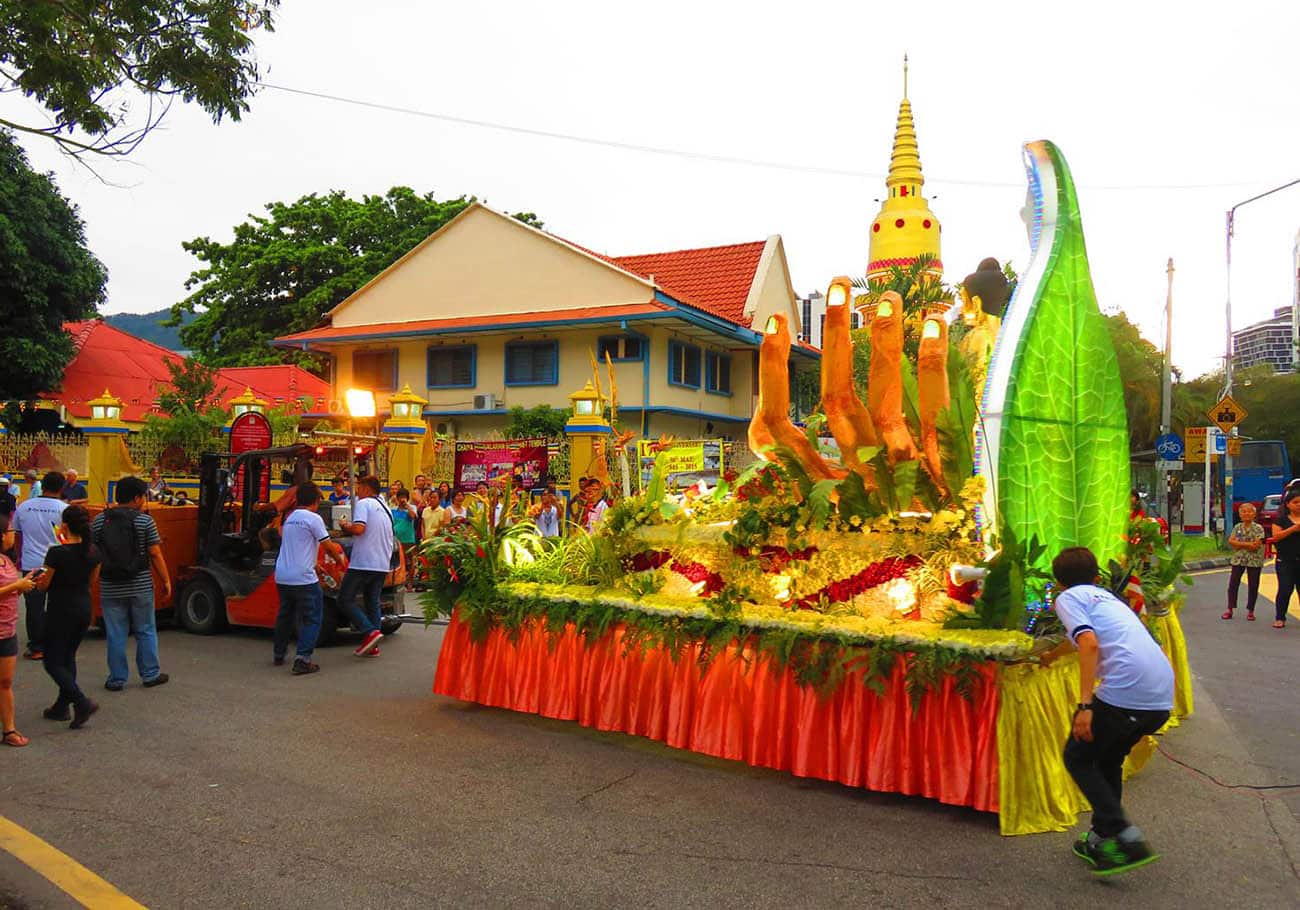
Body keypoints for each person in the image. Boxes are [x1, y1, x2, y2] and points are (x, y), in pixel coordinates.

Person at [1040, 546, 1173, 876]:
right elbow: (1082, 640)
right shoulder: (1107, 598)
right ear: (1096, 575)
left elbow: (1089, 644)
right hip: (1160, 696)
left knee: (1077, 756)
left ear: (1058, 583)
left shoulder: (1068, 599)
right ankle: (1101, 838)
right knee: (1107, 757)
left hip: (1128, 693)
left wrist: (1085, 705)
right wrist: (1051, 656)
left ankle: (1125, 836)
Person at [91, 476, 172, 690]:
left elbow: (93, 554)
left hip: (109, 586)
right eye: (144, 496)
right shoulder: (144, 521)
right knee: (145, 629)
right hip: (140, 585)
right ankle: (150, 674)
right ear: (137, 498)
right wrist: (165, 580)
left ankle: (117, 678)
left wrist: (93, 581)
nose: (145, 500)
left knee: (116, 632)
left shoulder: (100, 521)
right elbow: (155, 553)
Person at [35, 505, 102, 729]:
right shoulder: (93, 551)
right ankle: (62, 705)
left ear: (64, 526)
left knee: (52, 661)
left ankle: (80, 701)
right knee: (68, 656)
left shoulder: (57, 553)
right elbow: (93, 581)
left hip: (60, 610)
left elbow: (43, 585)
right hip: (83, 607)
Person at [273, 483, 346, 675]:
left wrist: (315, 564)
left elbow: (299, 547)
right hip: (304, 579)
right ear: (315, 501)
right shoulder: (314, 519)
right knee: (313, 618)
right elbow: (328, 546)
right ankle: (303, 659)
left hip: (283, 576)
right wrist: (340, 562)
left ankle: (278, 654)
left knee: (285, 615)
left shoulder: (289, 519)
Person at [13, 471, 68, 660]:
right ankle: (57, 645)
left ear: (42, 485)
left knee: (34, 606)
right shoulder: (64, 509)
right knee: (58, 604)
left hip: (32, 565)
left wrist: (19, 559)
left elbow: (17, 536)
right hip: (58, 564)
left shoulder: (24, 507)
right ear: (62, 488)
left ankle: (37, 647)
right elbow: (68, 539)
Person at [337, 476, 392, 658]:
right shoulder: (385, 507)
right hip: (382, 563)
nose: (356, 492)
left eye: (358, 487)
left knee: (344, 599)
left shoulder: (364, 503)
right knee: (372, 601)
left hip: (364, 562)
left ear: (367, 489)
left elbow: (359, 529)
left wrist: (345, 526)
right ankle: (373, 646)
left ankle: (370, 632)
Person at [0, 514, 38, 746]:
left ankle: (9, 730)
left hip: (7, 629)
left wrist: (22, 586)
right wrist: (16, 585)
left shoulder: (7, 560)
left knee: (5, 682)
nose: (14, 534)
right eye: (11, 530)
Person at [1223, 501, 1265, 621]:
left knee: (1253, 585)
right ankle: (1229, 608)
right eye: (1244, 512)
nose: (1246, 514)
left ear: (1254, 514)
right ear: (1240, 514)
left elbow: (1256, 545)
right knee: (1233, 584)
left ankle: (1251, 611)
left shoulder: (1258, 528)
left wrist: (1240, 544)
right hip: (1238, 559)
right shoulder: (1237, 527)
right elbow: (1232, 542)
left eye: (1249, 511)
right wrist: (1247, 544)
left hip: (1254, 560)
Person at [1266, 490, 1300, 629]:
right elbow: (1276, 537)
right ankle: (1280, 617)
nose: (1298, 505)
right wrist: (1293, 529)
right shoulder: (1281, 520)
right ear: (1288, 504)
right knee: (1285, 589)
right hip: (1285, 560)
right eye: (1295, 502)